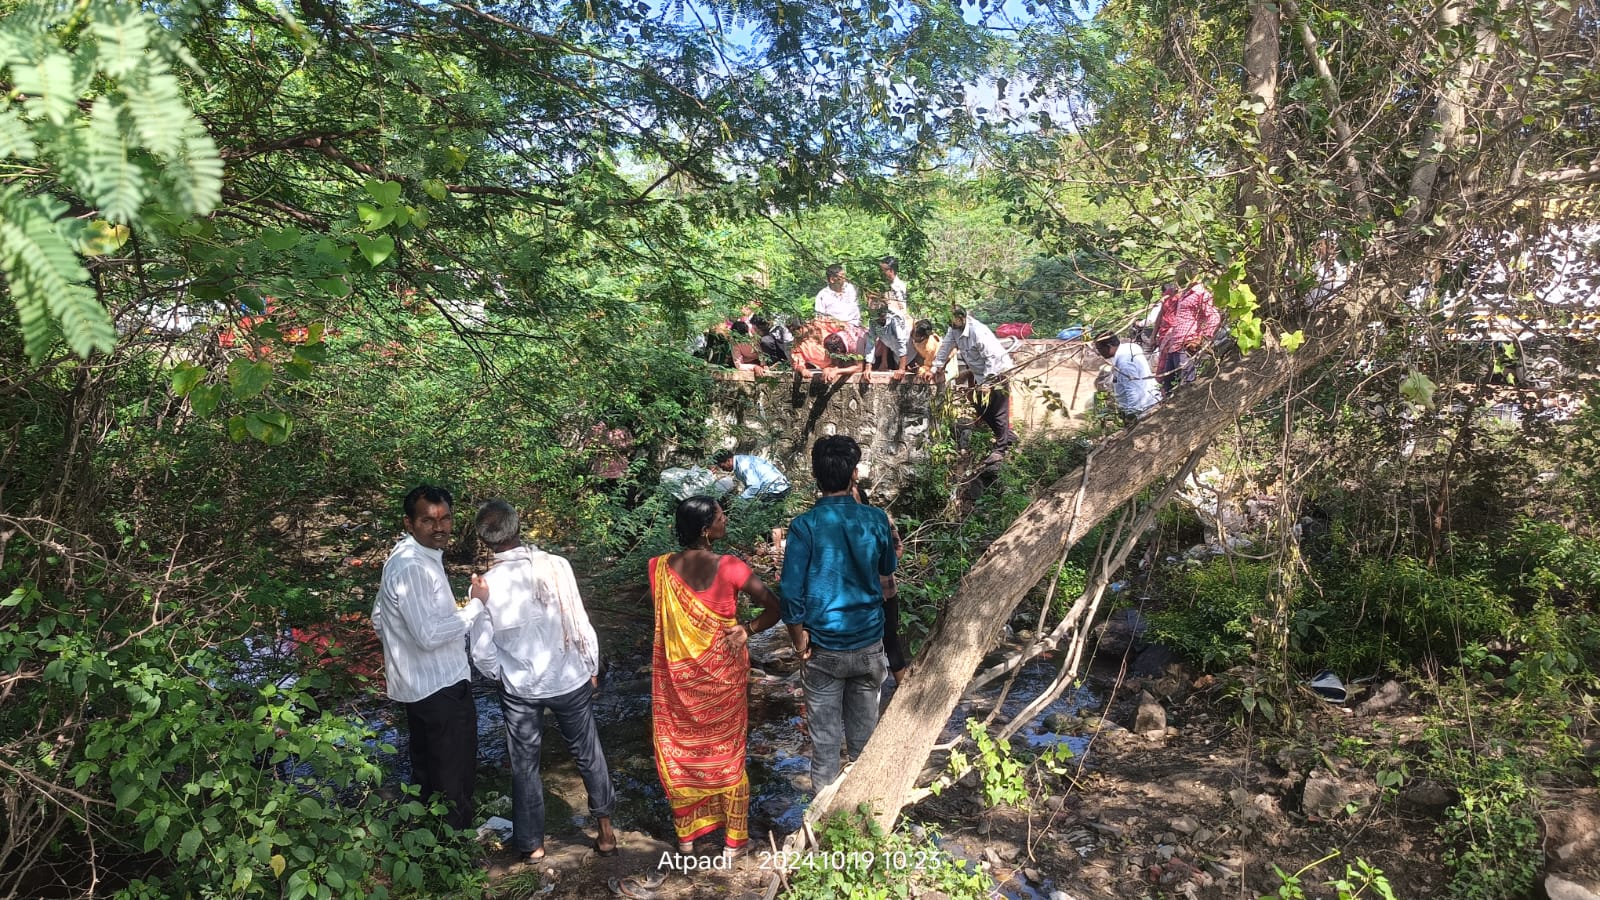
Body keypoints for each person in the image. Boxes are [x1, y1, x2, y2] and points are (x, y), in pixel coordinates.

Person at [469, 500, 617, 863]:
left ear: (485, 541)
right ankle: (606, 833)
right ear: (518, 526)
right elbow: (579, 619)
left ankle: (532, 844)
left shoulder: (485, 585)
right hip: (569, 677)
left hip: (520, 689)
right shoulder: (557, 566)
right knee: (588, 754)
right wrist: (592, 665)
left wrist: (501, 675)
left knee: (524, 765)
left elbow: (482, 650)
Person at [648, 497, 784, 859]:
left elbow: (666, 620)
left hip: (678, 681)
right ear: (706, 529)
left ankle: (687, 840)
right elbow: (776, 607)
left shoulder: (658, 568)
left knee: (682, 753)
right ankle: (734, 842)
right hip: (723, 677)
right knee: (727, 753)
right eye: (722, 515)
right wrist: (747, 629)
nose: (727, 519)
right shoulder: (730, 567)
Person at [779, 436, 898, 791]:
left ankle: (822, 832)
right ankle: (866, 820)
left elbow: (790, 592)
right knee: (864, 748)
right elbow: (887, 569)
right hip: (868, 645)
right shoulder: (875, 520)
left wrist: (799, 640)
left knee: (826, 747)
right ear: (854, 475)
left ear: (816, 477)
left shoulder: (804, 526)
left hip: (823, 651)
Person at [372, 485, 487, 831]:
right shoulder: (412, 567)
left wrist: (399, 650)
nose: (439, 527)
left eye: (445, 518)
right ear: (409, 522)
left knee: (430, 774)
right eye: (428, 520)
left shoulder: (410, 557)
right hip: (440, 686)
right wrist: (477, 605)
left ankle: (433, 849)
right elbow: (429, 635)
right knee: (453, 777)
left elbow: (378, 617)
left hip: (419, 686)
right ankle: (457, 857)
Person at [922, 306, 1018, 463]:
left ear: (962, 318)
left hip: (997, 372)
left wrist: (987, 382)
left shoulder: (978, 332)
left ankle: (1000, 450)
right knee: (981, 408)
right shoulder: (953, 330)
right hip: (981, 375)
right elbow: (945, 348)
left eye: (953, 319)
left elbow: (992, 358)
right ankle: (1008, 436)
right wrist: (933, 369)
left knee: (999, 411)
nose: (950, 323)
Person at [1155, 276, 1221, 393]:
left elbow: (1214, 317)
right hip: (1174, 344)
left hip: (1185, 345)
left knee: (1187, 385)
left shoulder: (1200, 293)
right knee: (1167, 385)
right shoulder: (1184, 293)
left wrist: (1200, 339)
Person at [1093, 331, 1162, 422]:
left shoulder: (1124, 364)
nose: (1099, 352)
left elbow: (1133, 390)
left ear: (1110, 345)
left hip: (1142, 410)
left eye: (1100, 348)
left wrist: (1131, 415)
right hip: (1149, 399)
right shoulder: (1131, 347)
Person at [867, 256, 911, 372]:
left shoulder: (898, 286)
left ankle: (896, 364)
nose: (881, 273)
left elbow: (901, 307)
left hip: (897, 318)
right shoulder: (884, 285)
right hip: (883, 317)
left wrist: (885, 303)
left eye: (883, 270)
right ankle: (883, 362)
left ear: (891, 270)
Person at [711, 449, 791, 501]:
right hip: (778, 488)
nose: (722, 469)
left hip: (776, 490)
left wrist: (739, 500)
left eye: (722, 466)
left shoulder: (743, 465)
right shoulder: (740, 462)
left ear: (728, 461)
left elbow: (754, 486)